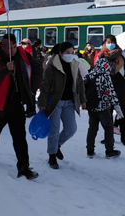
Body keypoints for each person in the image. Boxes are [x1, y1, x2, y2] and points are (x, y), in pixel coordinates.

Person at [0, 34, 43, 180]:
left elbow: (37, 67)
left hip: (17, 103)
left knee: (19, 137)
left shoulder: (23, 55)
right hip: (1, 104)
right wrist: (5, 69)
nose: (12, 49)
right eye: (8, 47)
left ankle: (23, 167)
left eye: (14, 46)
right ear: (1, 46)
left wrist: (32, 89)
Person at [38, 41, 86, 169]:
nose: (70, 55)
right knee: (54, 130)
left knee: (71, 129)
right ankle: (52, 156)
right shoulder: (52, 66)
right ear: (60, 53)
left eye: (72, 52)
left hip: (69, 102)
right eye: (67, 53)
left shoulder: (75, 65)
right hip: (55, 102)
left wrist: (83, 99)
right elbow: (45, 85)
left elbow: (79, 83)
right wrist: (42, 102)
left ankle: (57, 145)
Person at [85, 47, 123, 159]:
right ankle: (109, 150)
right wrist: (117, 107)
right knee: (108, 128)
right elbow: (111, 93)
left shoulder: (90, 74)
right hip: (103, 107)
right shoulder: (105, 76)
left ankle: (90, 150)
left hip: (91, 106)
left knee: (92, 128)